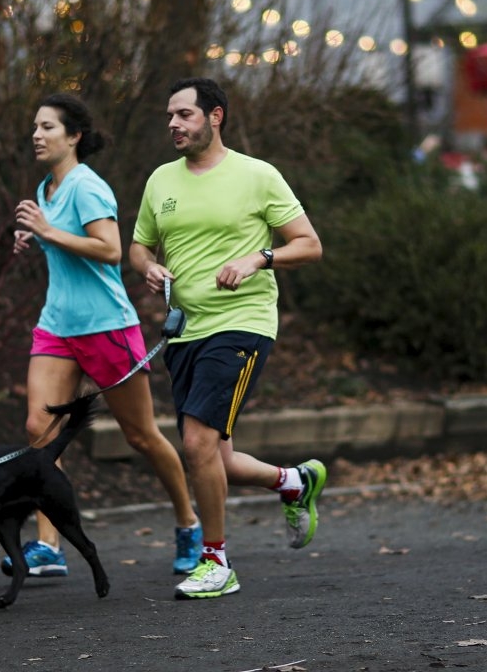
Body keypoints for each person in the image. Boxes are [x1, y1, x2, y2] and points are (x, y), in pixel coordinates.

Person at [129, 77, 326, 600]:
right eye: (170, 116)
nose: (173, 123)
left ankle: (215, 560)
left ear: (215, 117)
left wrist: (258, 257)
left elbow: (309, 245)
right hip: (184, 332)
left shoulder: (257, 176)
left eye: (185, 115)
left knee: (196, 442)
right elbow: (138, 248)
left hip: (242, 324)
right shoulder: (160, 182)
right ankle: (293, 482)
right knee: (215, 456)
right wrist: (149, 268)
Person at [6, 92, 202, 579]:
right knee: (39, 431)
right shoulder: (46, 189)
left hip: (107, 328)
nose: (37, 134)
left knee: (141, 436)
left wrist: (49, 232)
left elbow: (110, 249)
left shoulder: (87, 187)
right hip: (58, 327)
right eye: (35, 126)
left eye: (48, 127)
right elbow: (66, 248)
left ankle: (189, 524)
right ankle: (49, 546)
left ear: (73, 136)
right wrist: (34, 237)